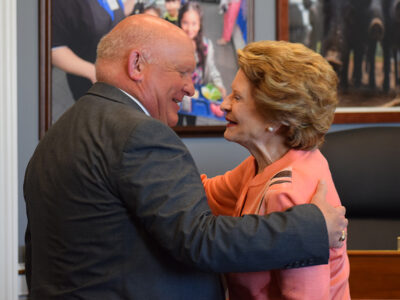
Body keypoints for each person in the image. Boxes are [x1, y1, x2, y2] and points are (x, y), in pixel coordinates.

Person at [24, 15, 347, 299]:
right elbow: (199, 238)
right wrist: (314, 227)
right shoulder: (136, 133)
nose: (191, 89)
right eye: (182, 72)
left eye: (237, 96)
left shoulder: (65, 130)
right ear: (137, 64)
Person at [202, 40, 350, 299]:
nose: (224, 104)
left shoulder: (289, 190)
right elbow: (205, 197)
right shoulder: (264, 165)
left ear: (277, 118)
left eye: (237, 97)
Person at [51, 0, 135, 100]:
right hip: (91, 81)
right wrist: (93, 72)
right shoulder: (63, 3)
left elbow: (115, 13)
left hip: (118, 75)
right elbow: (55, 49)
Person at [177, 1, 227, 126]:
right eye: (185, 23)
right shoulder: (173, 45)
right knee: (175, 125)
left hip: (196, 97)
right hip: (177, 96)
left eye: (194, 23)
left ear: (200, 25)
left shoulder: (206, 46)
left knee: (191, 125)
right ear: (179, 22)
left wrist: (219, 85)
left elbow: (212, 69)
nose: (190, 28)